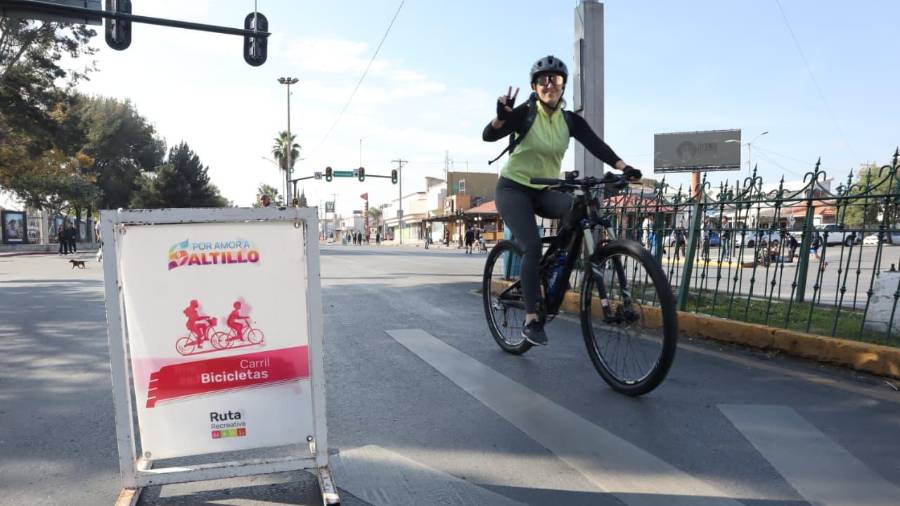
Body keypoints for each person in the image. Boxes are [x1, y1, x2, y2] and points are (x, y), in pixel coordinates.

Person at [483, 55, 641, 346]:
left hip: (543, 190)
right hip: (513, 189)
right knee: (530, 245)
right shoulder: (526, 113)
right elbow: (488, 136)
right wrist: (501, 117)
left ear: (563, 86)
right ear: (534, 86)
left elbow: (596, 145)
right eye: (543, 80)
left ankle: (555, 265)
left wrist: (623, 167)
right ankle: (531, 319)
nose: (549, 85)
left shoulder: (569, 121)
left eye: (555, 80)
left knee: (577, 209)